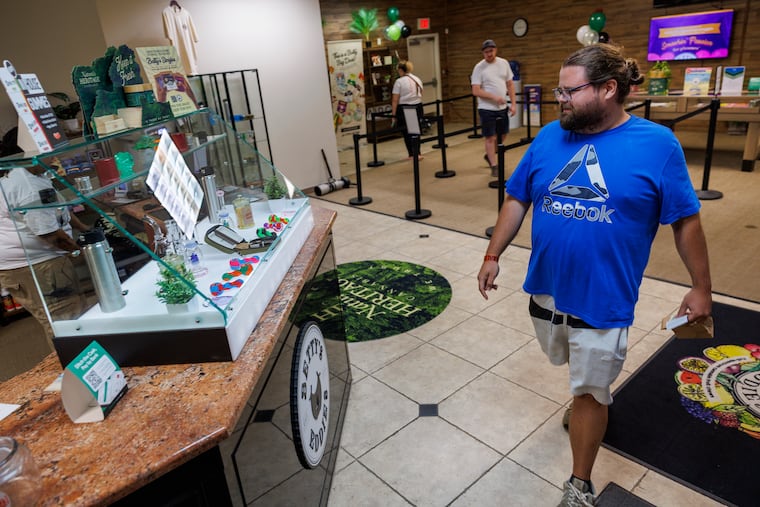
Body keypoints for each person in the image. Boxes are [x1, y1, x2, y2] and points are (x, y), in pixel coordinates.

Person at [476, 44, 711, 507]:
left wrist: (701, 287)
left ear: (608, 89)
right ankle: (587, 396)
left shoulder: (658, 145)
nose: (559, 98)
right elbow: (517, 197)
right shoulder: (548, 137)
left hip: (605, 299)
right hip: (546, 289)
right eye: (559, 89)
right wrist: (492, 254)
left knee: (589, 389)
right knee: (564, 363)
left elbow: (685, 219)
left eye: (569, 90)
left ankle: (579, 483)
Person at [0, 166, 86, 349]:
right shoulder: (27, 185)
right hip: (38, 266)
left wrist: (84, 229)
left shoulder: (20, 177)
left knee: (58, 319)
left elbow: (55, 210)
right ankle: (80, 370)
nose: (54, 154)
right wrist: (80, 252)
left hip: (18, 265)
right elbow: (49, 233)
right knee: (67, 322)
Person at [471, 39, 517, 176]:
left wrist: (513, 104)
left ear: (495, 50)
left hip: (502, 108)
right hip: (486, 108)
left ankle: (489, 154)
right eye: (486, 52)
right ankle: (494, 165)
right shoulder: (479, 68)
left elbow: (510, 84)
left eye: (491, 51)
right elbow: (476, 90)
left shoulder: (503, 63)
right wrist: (494, 97)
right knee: (490, 137)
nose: (489, 54)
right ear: (483, 53)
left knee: (502, 135)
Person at [390, 60, 424, 160]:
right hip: (418, 106)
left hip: (405, 108)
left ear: (400, 70)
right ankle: (418, 153)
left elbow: (395, 100)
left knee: (407, 132)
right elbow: (421, 92)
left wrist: (393, 115)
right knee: (416, 131)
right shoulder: (417, 79)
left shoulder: (399, 82)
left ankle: (412, 154)